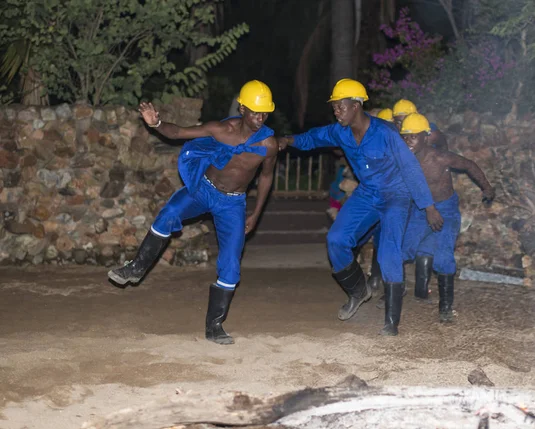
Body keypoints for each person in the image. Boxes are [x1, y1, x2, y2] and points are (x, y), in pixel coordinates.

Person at [107, 80, 279, 345]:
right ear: (242, 109)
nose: (260, 117)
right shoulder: (221, 129)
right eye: (255, 111)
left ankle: (214, 326)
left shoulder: (268, 144)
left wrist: (255, 214)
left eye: (265, 112)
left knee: (231, 265)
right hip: (204, 189)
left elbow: (266, 178)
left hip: (233, 203)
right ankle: (136, 267)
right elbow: (178, 133)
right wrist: (156, 124)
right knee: (170, 212)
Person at [277, 78, 443, 336]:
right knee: (336, 239)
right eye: (334, 107)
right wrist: (287, 141)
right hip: (368, 193)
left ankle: (391, 320)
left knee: (389, 251)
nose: (336, 111)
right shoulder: (340, 131)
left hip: (396, 195)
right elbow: (314, 137)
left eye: (340, 106)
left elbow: (410, 168)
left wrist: (428, 206)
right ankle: (358, 291)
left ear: (356, 105)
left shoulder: (386, 133)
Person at [370, 113, 495, 322]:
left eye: (413, 136)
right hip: (420, 211)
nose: (407, 141)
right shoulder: (399, 160)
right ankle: (394, 294)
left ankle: (445, 307)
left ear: (425, 137)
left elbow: (469, 165)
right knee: (399, 252)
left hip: (445, 210)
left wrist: (487, 187)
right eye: (404, 136)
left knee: (444, 256)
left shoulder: (440, 158)